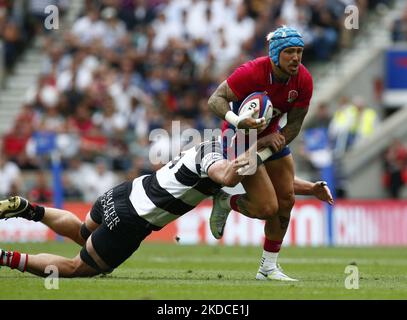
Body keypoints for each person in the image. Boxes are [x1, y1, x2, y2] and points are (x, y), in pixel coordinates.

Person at [0, 138, 332, 278]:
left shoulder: (211, 143)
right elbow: (228, 174)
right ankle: (5, 258)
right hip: (134, 219)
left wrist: (308, 188)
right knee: (78, 268)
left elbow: (268, 183)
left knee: (82, 232)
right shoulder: (217, 158)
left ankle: (29, 209)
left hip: (123, 192)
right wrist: (260, 147)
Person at [208, 25, 314, 281]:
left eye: (299, 51)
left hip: (271, 139)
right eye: (290, 52)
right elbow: (215, 100)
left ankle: (268, 268)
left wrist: (266, 148)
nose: (296, 58)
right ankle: (227, 201)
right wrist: (237, 120)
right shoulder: (252, 71)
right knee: (268, 207)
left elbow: (295, 125)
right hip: (239, 138)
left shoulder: (303, 80)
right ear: (276, 54)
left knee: (286, 200)